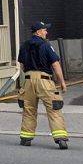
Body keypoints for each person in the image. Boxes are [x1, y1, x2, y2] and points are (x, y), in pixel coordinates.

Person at [17, 21, 68, 149]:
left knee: (29, 109)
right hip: (44, 80)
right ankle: (60, 139)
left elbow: (22, 65)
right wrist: (62, 82)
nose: (46, 32)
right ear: (38, 32)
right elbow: (55, 64)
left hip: (28, 80)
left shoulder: (24, 45)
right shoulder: (46, 45)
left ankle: (26, 138)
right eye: (45, 30)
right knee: (54, 109)